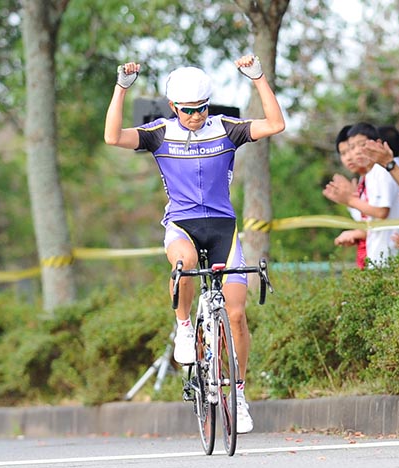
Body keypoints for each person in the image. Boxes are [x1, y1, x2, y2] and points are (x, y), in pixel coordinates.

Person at [104, 55, 285, 433]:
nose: (196, 116)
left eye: (202, 109)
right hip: (182, 224)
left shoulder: (225, 128)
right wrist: (121, 88)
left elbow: (276, 124)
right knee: (183, 264)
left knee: (236, 314)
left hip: (223, 228)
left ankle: (237, 392)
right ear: (174, 107)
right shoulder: (159, 132)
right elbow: (113, 137)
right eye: (188, 111)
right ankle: (184, 326)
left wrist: (258, 78)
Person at [323, 122, 399, 267]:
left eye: (361, 145)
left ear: (377, 144)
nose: (355, 153)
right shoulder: (371, 174)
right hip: (382, 259)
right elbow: (371, 220)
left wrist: (350, 200)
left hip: (395, 259)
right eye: (351, 148)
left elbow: (381, 212)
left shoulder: (381, 171)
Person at [331, 125, 367, 269]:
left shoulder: (379, 175)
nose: (349, 158)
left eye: (351, 149)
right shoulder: (362, 181)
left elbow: (385, 224)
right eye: (343, 153)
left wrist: (350, 201)